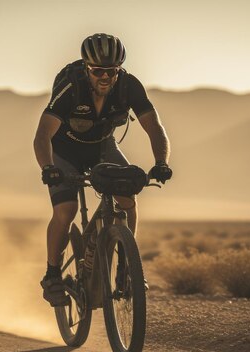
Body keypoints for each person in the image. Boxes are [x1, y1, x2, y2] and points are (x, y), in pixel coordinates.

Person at [33, 33, 173, 306]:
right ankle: (52, 275)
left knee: (127, 198)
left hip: (101, 147)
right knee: (66, 210)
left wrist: (161, 162)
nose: (106, 77)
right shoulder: (70, 87)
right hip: (64, 151)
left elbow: (155, 127)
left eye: (112, 71)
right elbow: (42, 135)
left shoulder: (129, 86)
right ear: (87, 68)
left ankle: (126, 270)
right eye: (98, 71)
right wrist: (48, 167)